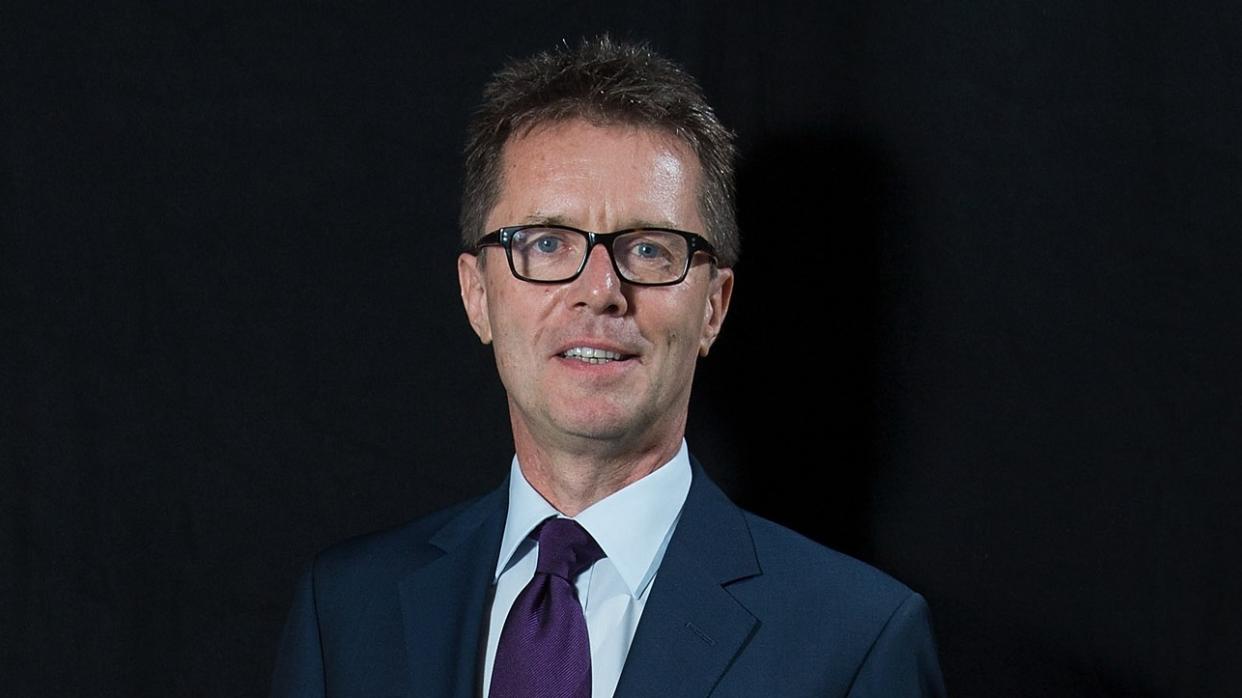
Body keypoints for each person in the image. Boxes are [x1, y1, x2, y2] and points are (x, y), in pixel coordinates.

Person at [270, 36, 947, 698]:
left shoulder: (856, 640)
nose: (600, 289)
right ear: (478, 296)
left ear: (714, 306)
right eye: (545, 242)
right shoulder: (346, 611)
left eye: (650, 249)